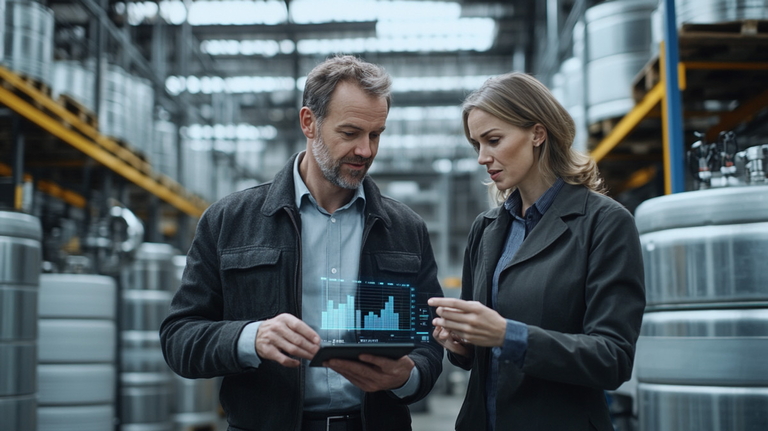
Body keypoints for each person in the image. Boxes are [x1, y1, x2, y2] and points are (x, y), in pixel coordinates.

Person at [160, 55, 443, 431]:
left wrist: (407, 376)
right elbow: (179, 338)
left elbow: (430, 343)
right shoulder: (229, 221)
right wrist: (251, 337)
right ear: (309, 122)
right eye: (350, 133)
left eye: (376, 134)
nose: (366, 150)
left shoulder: (406, 229)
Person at [428, 72, 645, 431]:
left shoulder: (604, 223)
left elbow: (613, 359)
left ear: (537, 133)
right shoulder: (486, 229)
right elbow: (474, 356)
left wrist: (507, 335)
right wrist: (461, 344)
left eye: (493, 140)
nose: (483, 157)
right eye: (476, 144)